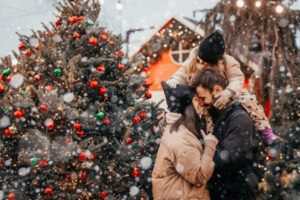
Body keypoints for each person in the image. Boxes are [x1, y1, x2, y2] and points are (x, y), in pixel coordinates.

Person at [166, 30, 281, 146]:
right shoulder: (193, 58)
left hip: (224, 91)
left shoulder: (227, 62)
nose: (200, 62)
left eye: (203, 62)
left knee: (248, 100)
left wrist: (228, 92)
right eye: (199, 59)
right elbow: (181, 73)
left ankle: (265, 131)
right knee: (203, 113)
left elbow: (237, 77)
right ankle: (208, 140)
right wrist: (174, 81)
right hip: (202, 92)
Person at [191, 68, 262, 200]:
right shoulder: (213, 117)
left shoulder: (239, 118)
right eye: (197, 99)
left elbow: (227, 159)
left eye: (203, 98)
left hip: (236, 194)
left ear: (217, 90)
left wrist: (202, 151)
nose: (200, 104)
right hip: (221, 192)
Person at [152, 81, 218, 200]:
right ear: (187, 107)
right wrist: (210, 146)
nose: (200, 104)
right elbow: (199, 177)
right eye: (196, 100)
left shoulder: (179, 130)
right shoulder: (181, 138)